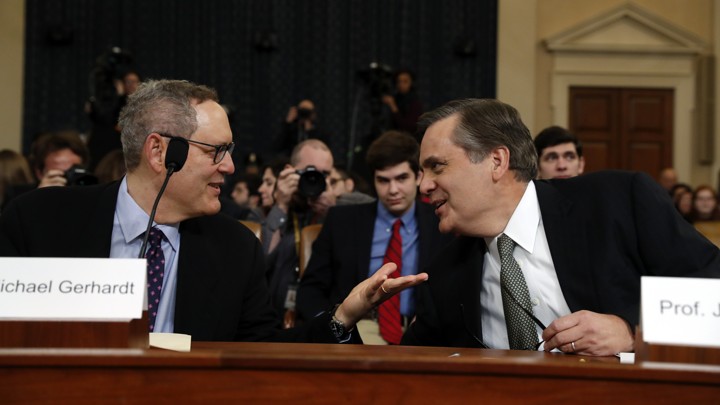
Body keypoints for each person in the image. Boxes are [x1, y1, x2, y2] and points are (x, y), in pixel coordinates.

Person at [0, 79, 427, 343]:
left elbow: (261, 353)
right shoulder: (38, 222)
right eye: (217, 150)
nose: (230, 166)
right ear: (160, 151)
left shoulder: (235, 248)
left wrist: (342, 316)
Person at [402, 98, 720, 356]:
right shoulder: (444, 274)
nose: (424, 185)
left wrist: (633, 333)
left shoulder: (618, 203)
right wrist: (349, 320)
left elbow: (712, 290)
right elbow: (404, 376)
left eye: (436, 166)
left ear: (496, 161)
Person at [297, 131, 453, 344]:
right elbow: (310, 290)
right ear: (373, 180)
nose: (393, 190)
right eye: (383, 180)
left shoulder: (440, 221)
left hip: (422, 329)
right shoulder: (342, 221)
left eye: (401, 178)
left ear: (418, 177)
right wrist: (331, 327)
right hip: (357, 328)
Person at [263, 139, 339, 323]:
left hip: (320, 318)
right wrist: (281, 204)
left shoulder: (342, 211)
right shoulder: (275, 210)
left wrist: (331, 212)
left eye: (325, 174)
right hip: (274, 318)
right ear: (290, 171)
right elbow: (261, 261)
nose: (317, 179)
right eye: (310, 172)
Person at [381, 68, 423, 137]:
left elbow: (408, 127)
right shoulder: (395, 98)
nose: (401, 84)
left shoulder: (415, 102)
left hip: (408, 141)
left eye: (405, 81)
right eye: (399, 81)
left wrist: (393, 106)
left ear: (411, 83)